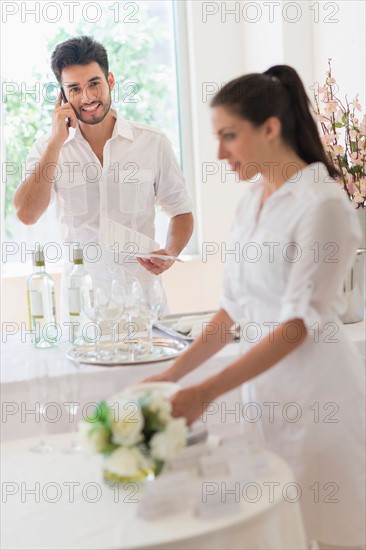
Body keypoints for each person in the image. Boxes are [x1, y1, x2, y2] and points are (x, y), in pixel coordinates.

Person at [145, 66, 365, 549]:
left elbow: (297, 326)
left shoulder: (323, 205)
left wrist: (206, 392)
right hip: (264, 401)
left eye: (229, 136)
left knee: (330, 534)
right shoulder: (251, 203)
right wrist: (172, 375)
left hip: (318, 402)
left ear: (270, 128)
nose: (220, 153)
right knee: (276, 532)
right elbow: (231, 311)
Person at [14, 36, 193, 319]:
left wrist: (170, 251)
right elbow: (27, 213)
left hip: (144, 303)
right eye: (74, 88)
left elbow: (181, 212)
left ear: (110, 80)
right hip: (83, 306)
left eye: (94, 83)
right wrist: (55, 142)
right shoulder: (48, 149)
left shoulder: (152, 142)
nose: (86, 97)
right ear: (61, 94)